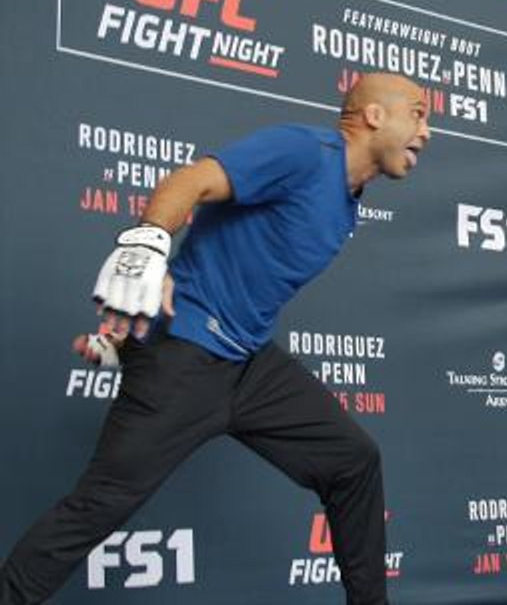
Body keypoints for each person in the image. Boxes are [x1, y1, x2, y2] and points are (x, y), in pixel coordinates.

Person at [0, 72, 430, 605]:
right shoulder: (305, 153)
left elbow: (238, 261)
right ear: (374, 116)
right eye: (418, 112)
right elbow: (194, 181)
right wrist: (149, 244)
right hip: (184, 357)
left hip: (247, 364)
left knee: (354, 462)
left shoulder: (348, 199)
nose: (426, 132)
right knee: (99, 505)